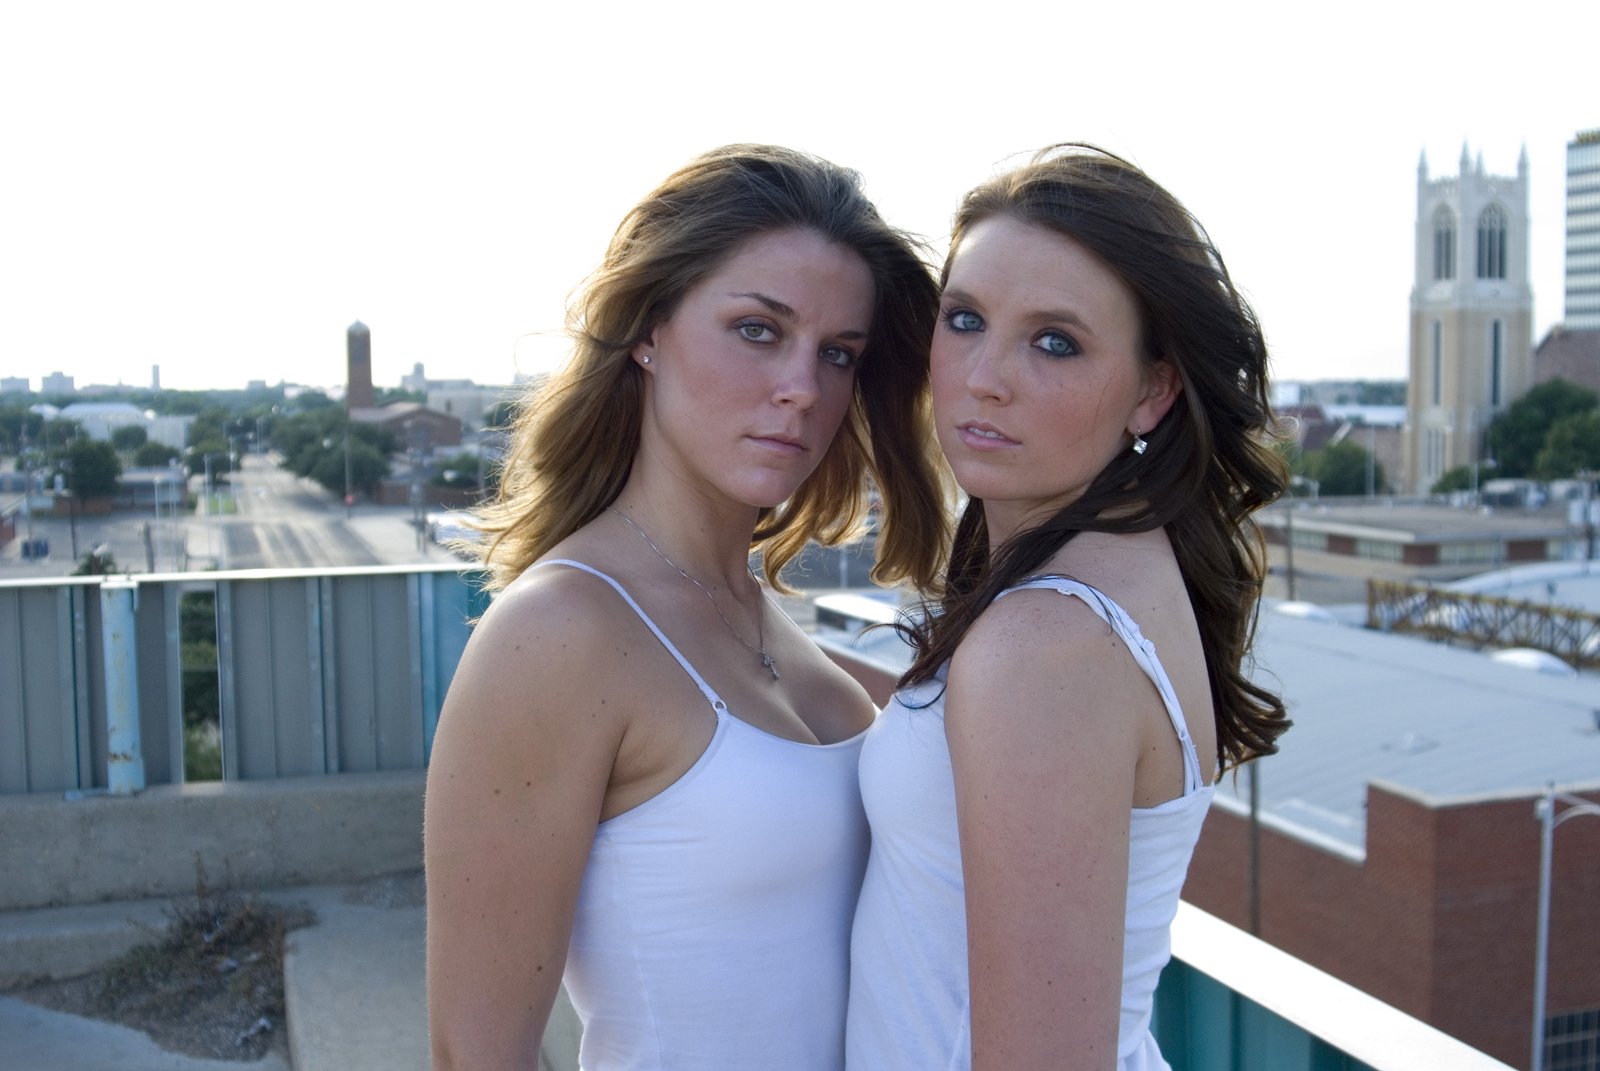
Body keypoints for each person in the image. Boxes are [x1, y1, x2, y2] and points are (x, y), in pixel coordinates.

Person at [424, 144, 947, 1071]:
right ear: (648, 331)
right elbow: (479, 1052)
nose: (803, 387)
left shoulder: (765, 616)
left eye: (839, 354)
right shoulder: (560, 634)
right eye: (757, 329)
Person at [847, 145, 1292, 1071]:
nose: (984, 375)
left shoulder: (1042, 643)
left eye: (1056, 341)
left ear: (1154, 388)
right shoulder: (1126, 570)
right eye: (964, 319)